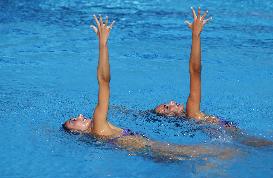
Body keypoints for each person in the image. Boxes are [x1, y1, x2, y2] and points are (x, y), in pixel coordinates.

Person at [62, 12, 235, 161]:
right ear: (78, 133)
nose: (78, 116)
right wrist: (102, 45)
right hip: (156, 150)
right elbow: (104, 82)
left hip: (152, 151)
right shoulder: (98, 126)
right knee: (218, 155)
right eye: (73, 121)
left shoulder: (100, 131)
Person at [154, 7, 273, 150]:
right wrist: (196, 35)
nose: (171, 102)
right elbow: (195, 71)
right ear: (171, 116)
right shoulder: (192, 112)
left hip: (231, 138)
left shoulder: (194, 118)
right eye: (167, 107)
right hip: (234, 139)